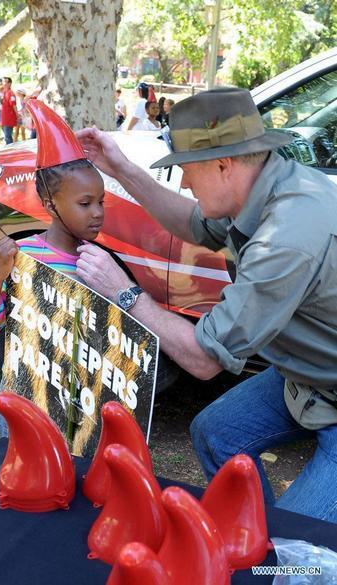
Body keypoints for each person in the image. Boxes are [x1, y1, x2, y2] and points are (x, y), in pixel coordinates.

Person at [76, 86, 337, 523]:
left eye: (187, 169)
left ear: (222, 164)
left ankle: (284, 555)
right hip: (310, 377)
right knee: (218, 433)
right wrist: (119, 167)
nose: (183, 180)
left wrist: (123, 292)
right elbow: (193, 224)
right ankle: (253, 541)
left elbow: (203, 359)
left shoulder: (288, 237)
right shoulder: (261, 184)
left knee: (298, 552)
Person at [0, 98, 105, 436]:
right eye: (85, 204)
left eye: (102, 202)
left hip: (77, 408)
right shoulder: (22, 255)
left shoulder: (100, 265)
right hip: (21, 405)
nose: (98, 212)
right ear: (50, 204)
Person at [0, 77, 17, 144]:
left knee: (8, 136)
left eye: (5, 82)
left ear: (9, 83)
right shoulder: (4, 92)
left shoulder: (11, 93)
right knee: (6, 136)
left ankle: (10, 151)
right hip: (4, 117)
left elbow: (13, 105)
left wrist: (17, 115)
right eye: (2, 81)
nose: (3, 83)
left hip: (9, 118)